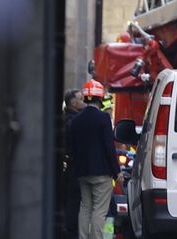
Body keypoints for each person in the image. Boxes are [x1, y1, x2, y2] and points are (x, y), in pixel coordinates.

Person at [69, 79, 122, 239]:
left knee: (85, 207)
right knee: (99, 209)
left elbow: (72, 148)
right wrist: (116, 172)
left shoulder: (75, 120)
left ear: (85, 98)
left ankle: (83, 237)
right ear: (100, 98)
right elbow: (109, 147)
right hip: (101, 173)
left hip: (82, 172)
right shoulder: (103, 118)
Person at [63, 89, 86, 239]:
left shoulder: (66, 119)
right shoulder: (75, 122)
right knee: (74, 203)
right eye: (81, 99)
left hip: (69, 168)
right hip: (75, 168)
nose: (83, 102)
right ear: (73, 103)